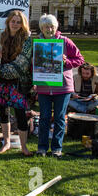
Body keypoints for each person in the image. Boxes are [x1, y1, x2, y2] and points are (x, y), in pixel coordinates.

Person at [35, 14, 85, 158]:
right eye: (45, 27)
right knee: (44, 118)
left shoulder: (65, 42)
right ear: (42, 29)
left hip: (62, 87)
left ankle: (57, 148)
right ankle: (42, 148)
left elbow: (80, 59)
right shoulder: (38, 43)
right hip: (44, 86)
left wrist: (66, 61)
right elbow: (33, 65)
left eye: (51, 26)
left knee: (59, 118)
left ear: (56, 27)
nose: (49, 29)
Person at [0, 10, 33, 156]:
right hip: (1, 82)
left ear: (22, 24)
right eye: (13, 21)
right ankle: (6, 143)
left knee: (20, 113)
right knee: (3, 112)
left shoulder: (27, 39)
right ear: (8, 22)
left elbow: (22, 64)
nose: (15, 24)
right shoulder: (0, 36)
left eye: (18, 22)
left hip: (18, 82)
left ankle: (24, 146)